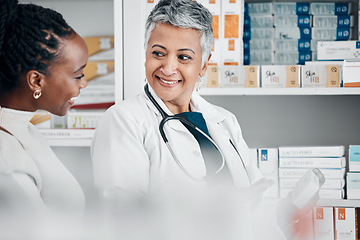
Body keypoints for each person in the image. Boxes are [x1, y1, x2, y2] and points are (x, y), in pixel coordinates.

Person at [92, 0, 318, 239]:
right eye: (158, 53)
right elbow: (123, 220)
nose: (168, 68)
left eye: (184, 57)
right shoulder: (124, 121)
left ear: (203, 65)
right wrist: (213, 209)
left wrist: (285, 211)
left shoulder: (224, 121)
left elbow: (254, 205)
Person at [0, 0, 88, 217]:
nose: (84, 83)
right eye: (78, 75)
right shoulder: (6, 159)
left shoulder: (23, 129)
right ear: (36, 81)